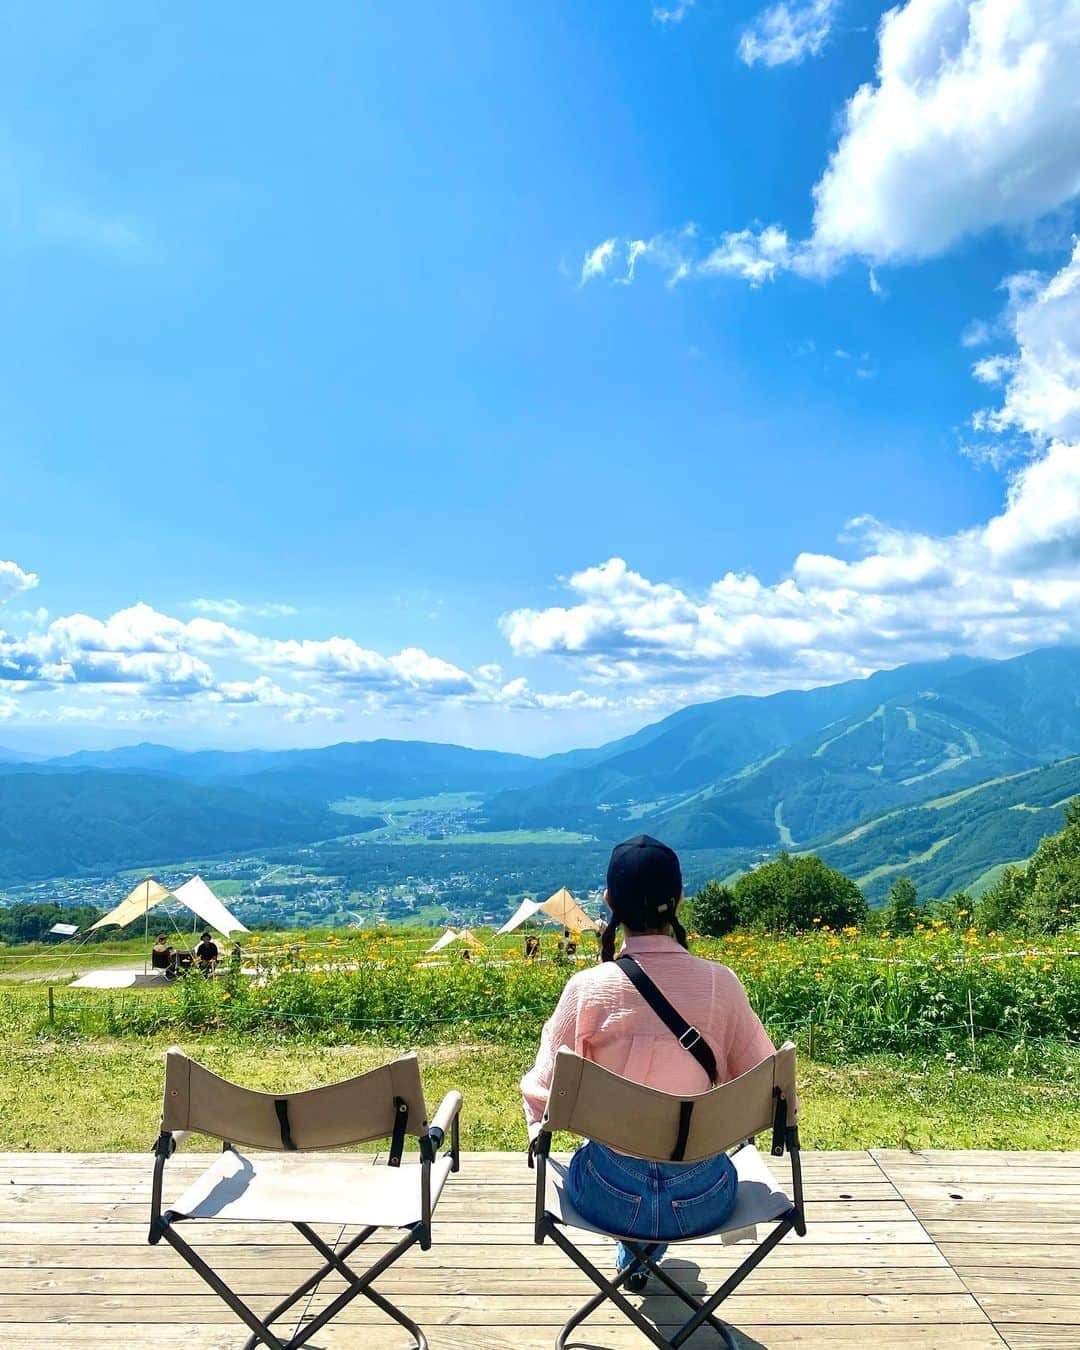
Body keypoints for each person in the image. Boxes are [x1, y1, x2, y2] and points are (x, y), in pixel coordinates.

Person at [521, 835, 774, 1291]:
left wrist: (540, 1135)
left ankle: (634, 1249)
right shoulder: (722, 985)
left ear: (609, 901)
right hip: (703, 1197)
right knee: (674, 1161)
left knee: (616, 1163)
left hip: (608, 1196)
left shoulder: (587, 990)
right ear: (677, 901)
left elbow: (541, 1093)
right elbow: (768, 1087)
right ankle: (641, 1253)